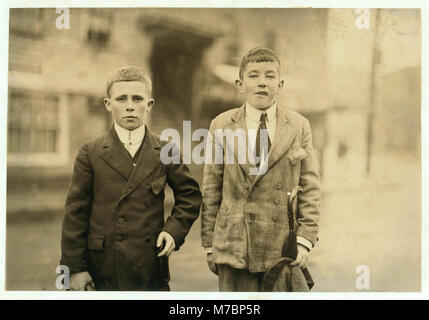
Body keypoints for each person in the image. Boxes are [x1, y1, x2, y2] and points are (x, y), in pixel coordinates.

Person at [61, 66, 202, 291]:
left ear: (149, 104)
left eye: (137, 99)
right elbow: (75, 214)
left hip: (148, 266)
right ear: (108, 104)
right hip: (103, 267)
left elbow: (190, 196)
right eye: (121, 99)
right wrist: (75, 269)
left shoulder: (166, 149)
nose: (129, 106)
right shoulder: (90, 152)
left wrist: (172, 230)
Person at [201, 47, 321, 291]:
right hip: (233, 245)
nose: (262, 82)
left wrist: (305, 239)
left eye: (270, 76)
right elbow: (211, 186)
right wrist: (210, 244)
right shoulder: (221, 124)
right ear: (240, 83)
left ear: (281, 83)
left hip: (282, 247)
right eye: (253, 75)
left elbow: (310, 188)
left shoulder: (299, 125)